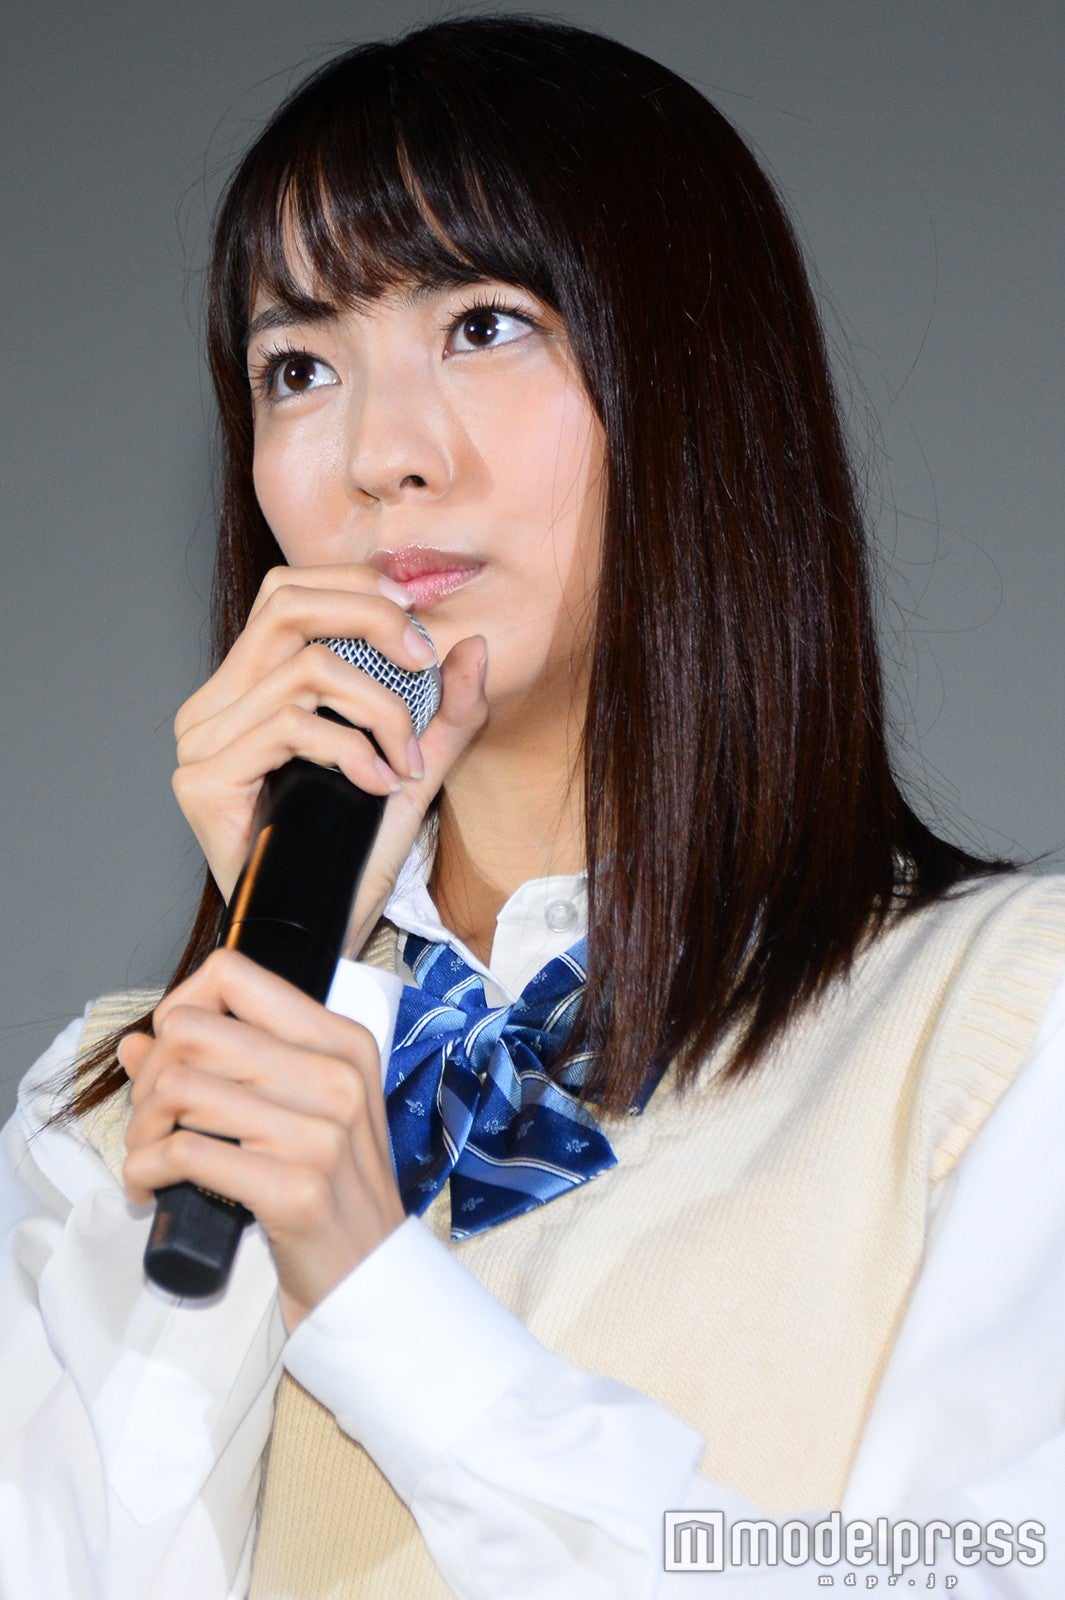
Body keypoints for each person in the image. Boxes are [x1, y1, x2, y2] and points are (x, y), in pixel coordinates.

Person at [1, 14, 1063, 1598]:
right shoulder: (114, 1105)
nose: (382, 455)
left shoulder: (1002, 1024)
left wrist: (374, 1291)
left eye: (484, 325)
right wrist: (282, 976)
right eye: (300, 368)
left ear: (696, 386)